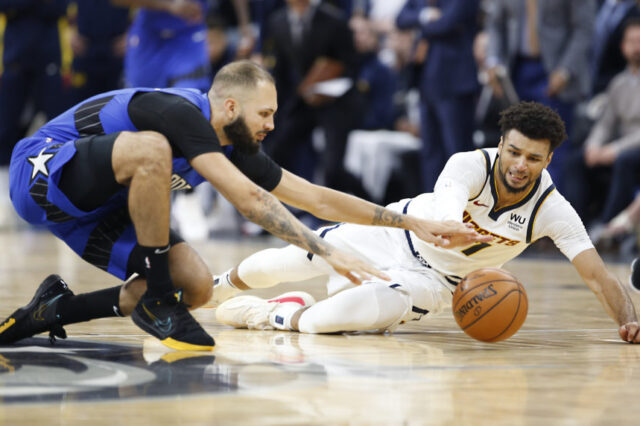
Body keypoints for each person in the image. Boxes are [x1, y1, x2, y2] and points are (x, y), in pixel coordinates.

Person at [0, 60, 482, 351]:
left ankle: (57, 309)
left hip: (97, 211)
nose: (271, 124)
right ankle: (159, 300)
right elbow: (252, 203)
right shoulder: (177, 113)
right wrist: (328, 252)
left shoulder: (234, 143)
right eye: (265, 113)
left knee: (198, 288)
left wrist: (414, 223)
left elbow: (312, 196)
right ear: (229, 107)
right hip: (41, 176)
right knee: (152, 150)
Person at [214, 101, 640, 344]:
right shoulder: (468, 164)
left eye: (532, 158)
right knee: (284, 262)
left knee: (328, 321)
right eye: (513, 152)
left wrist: (629, 320)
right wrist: (451, 225)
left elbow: (599, 278)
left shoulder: (553, 210)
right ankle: (212, 289)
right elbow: (446, 206)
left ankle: (280, 313)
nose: (519, 165)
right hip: (393, 236)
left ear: (548, 160)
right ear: (500, 145)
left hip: (438, 282)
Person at [396, 0, 480, 193]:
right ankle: (432, 209)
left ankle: (464, 209)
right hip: (427, 82)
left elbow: (446, 23)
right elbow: (400, 19)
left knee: (457, 153)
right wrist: (424, 15)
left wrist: (419, 27)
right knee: (430, 153)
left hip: (455, 82)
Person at [564, 18, 640, 226]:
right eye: (631, 42)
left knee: (625, 161)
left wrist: (613, 150)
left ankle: (608, 228)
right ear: (622, 46)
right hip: (618, 147)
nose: (636, 47)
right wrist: (594, 146)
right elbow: (605, 123)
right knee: (575, 161)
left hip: (631, 150)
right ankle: (576, 226)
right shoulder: (618, 83)